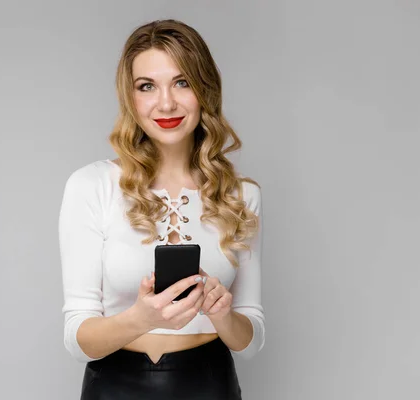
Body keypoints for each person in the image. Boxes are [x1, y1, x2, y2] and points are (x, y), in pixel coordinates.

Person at [58, 19, 264, 400]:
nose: (165, 102)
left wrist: (222, 314)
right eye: (147, 86)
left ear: (205, 89)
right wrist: (142, 319)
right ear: (130, 96)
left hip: (209, 385)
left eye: (182, 82)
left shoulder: (240, 194)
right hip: (113, 387)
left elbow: (250, 341)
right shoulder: (91, 186)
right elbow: (77, 338)